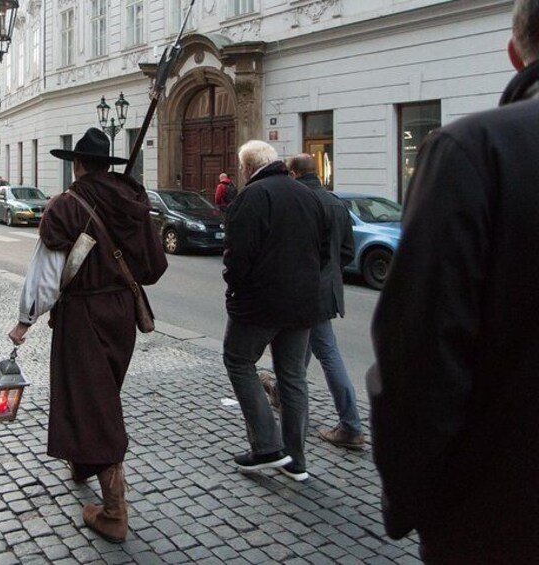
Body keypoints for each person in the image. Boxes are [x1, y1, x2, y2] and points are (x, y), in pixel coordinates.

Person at [369, 2, 539, 562]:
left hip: (502, 515)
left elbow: (417, 357)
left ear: (514, 52)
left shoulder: (476, 150)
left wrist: (422, 506)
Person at [7, 129, 167, 543]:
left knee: (96, 402)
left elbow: (46, 274)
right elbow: (153, 265)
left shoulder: (69, 205)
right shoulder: (130, 200)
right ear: (105, 165)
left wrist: (25, 321)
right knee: (101, 390)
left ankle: (114, 511)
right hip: (122, 313)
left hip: (84, 314)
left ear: (77, 164)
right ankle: (82, 462)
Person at [223, 140, 329, 483]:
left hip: (261, 304)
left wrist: (234, 286)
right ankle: (296, 460)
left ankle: (267, 447)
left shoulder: (252, 197)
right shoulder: (308, 195)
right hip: (304, 303)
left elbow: (238, 256)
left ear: (248, 168)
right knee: (293, 377)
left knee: (238, 361)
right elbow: (324, 251)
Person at [287, 154, 364, 450]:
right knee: (303, 347)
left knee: (327, 353)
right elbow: (347, 250)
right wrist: (331, 273)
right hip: (328, 288)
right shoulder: (335, 202)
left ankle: (351, 425)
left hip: (306, 290)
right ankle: (283, 392)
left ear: (294, 174)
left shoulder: (300, 202)